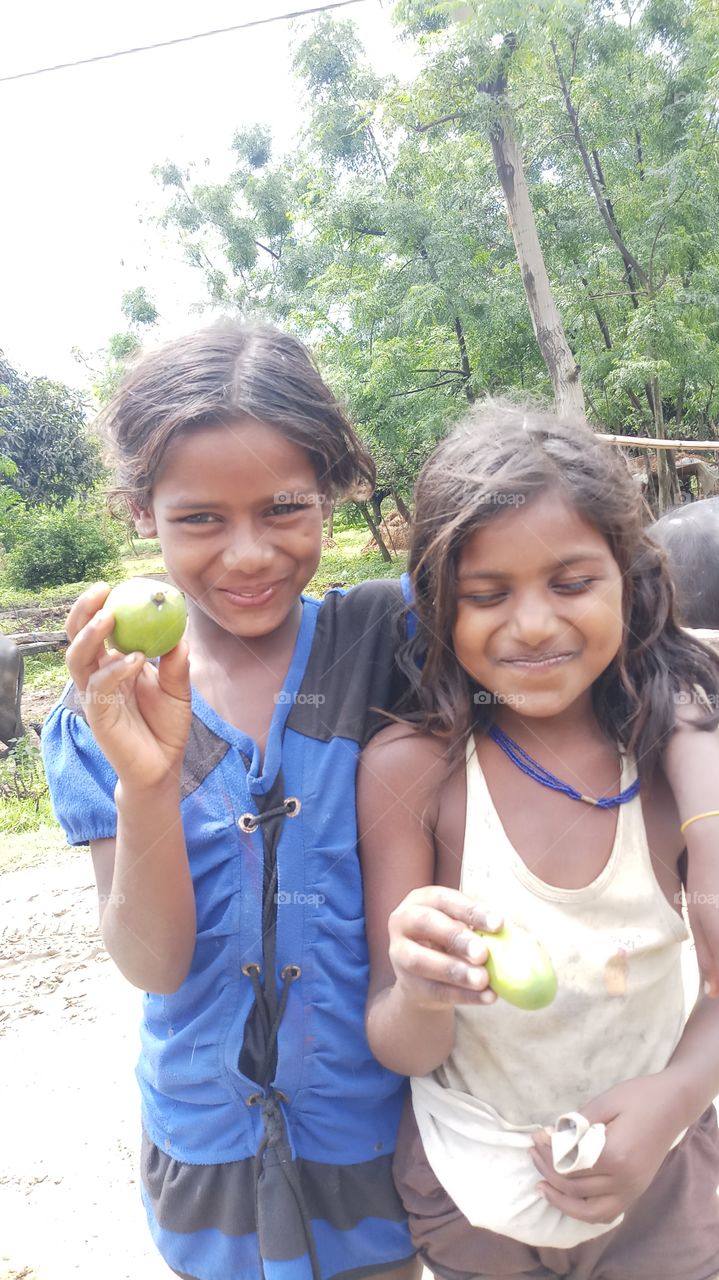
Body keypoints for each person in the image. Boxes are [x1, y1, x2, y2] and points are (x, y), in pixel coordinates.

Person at [40, 321, 420, 1280]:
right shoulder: (102, 713)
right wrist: (148, 779)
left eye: (285, 508)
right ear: (140, 511)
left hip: (372, 1137)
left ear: (333, 490)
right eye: (199, 519)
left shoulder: (392, 647)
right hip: (206, 1147)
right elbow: (152, 962)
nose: (247, 555)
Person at [358, 402, 719, 1280]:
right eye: (486, 594)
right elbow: (402, 1044)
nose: (530, 626)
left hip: (662, 1179)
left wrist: (676, 1097)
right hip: (475, 1184)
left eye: (570, 583)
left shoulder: (672, 749)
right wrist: (420, 988)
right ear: (437, 603)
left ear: (628, 580)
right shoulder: (413, 773)